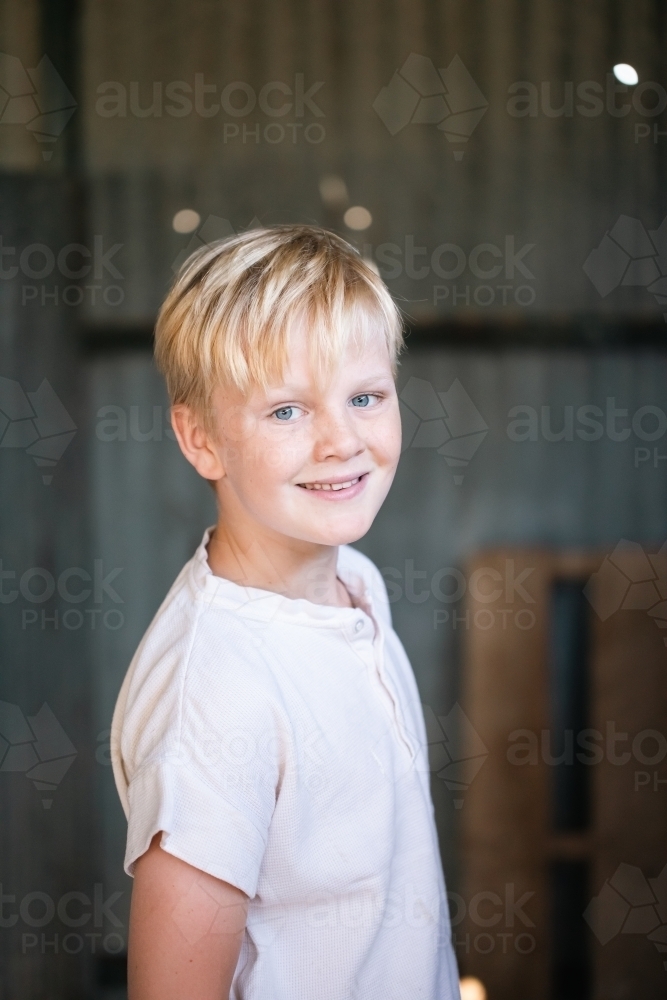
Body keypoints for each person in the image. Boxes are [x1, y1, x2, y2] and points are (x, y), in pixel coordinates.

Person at [110, 225, 460, 1000]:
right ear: (200, 438)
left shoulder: (356, 585)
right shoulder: (218, 697)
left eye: (364, 397)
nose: (342, 440)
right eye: (286, 412)